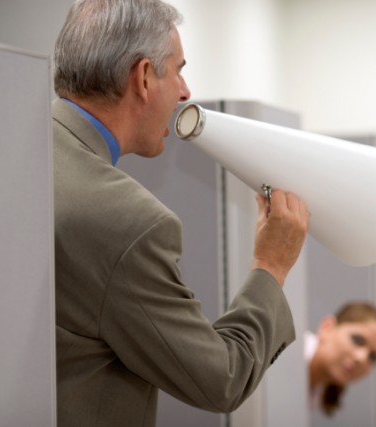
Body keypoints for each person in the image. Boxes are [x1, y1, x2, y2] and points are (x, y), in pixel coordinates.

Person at [52, 1, 310, 426]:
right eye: (178, 71)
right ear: (143, 77)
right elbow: (221, 379)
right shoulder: (127, 220)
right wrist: (272, 265)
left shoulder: (15, 150)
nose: (186, 92)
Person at [305, 301, 376, 416]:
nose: (361, 358)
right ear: (327, 327)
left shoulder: (313, 397)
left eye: (373, 357)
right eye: (357, 340)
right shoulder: (285, 350)